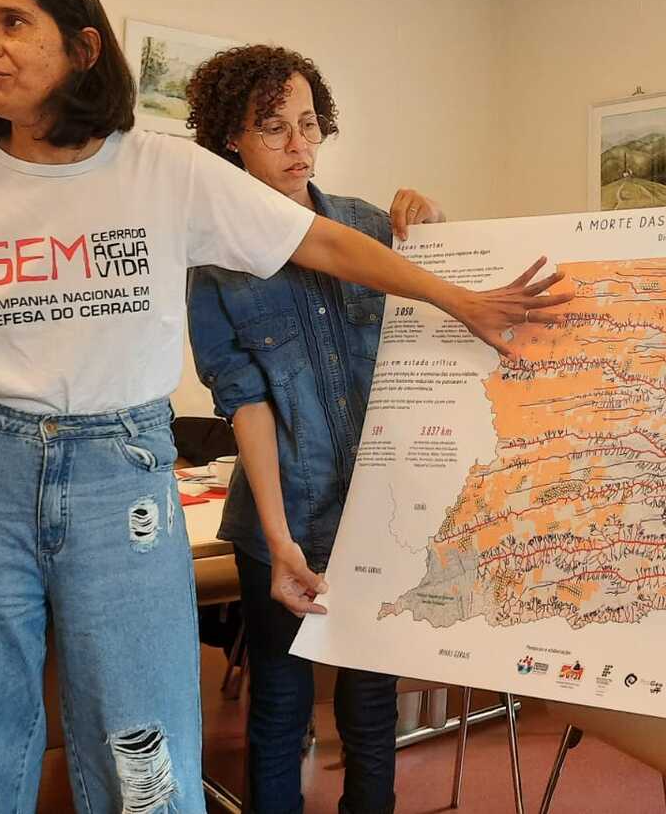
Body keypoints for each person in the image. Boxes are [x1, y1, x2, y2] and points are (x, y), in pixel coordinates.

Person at [0, 0, 566, 813]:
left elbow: (324, 241)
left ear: (82, 47)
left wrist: (459, 298)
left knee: (143, 739)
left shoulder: (162, 170)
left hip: (120, 475)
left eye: (12, 22)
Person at [185, 44, 461, 814]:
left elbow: (451, 306)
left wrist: (437, 226)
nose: (298, 144)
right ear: (231, 138)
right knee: (279, 706)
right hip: (280, 520)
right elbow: (247, 404)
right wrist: (280, 540)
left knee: (371, 707)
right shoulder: (215, 265)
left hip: (375, 513)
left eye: (308, 124)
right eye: (273, 127)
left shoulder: (370, 227)